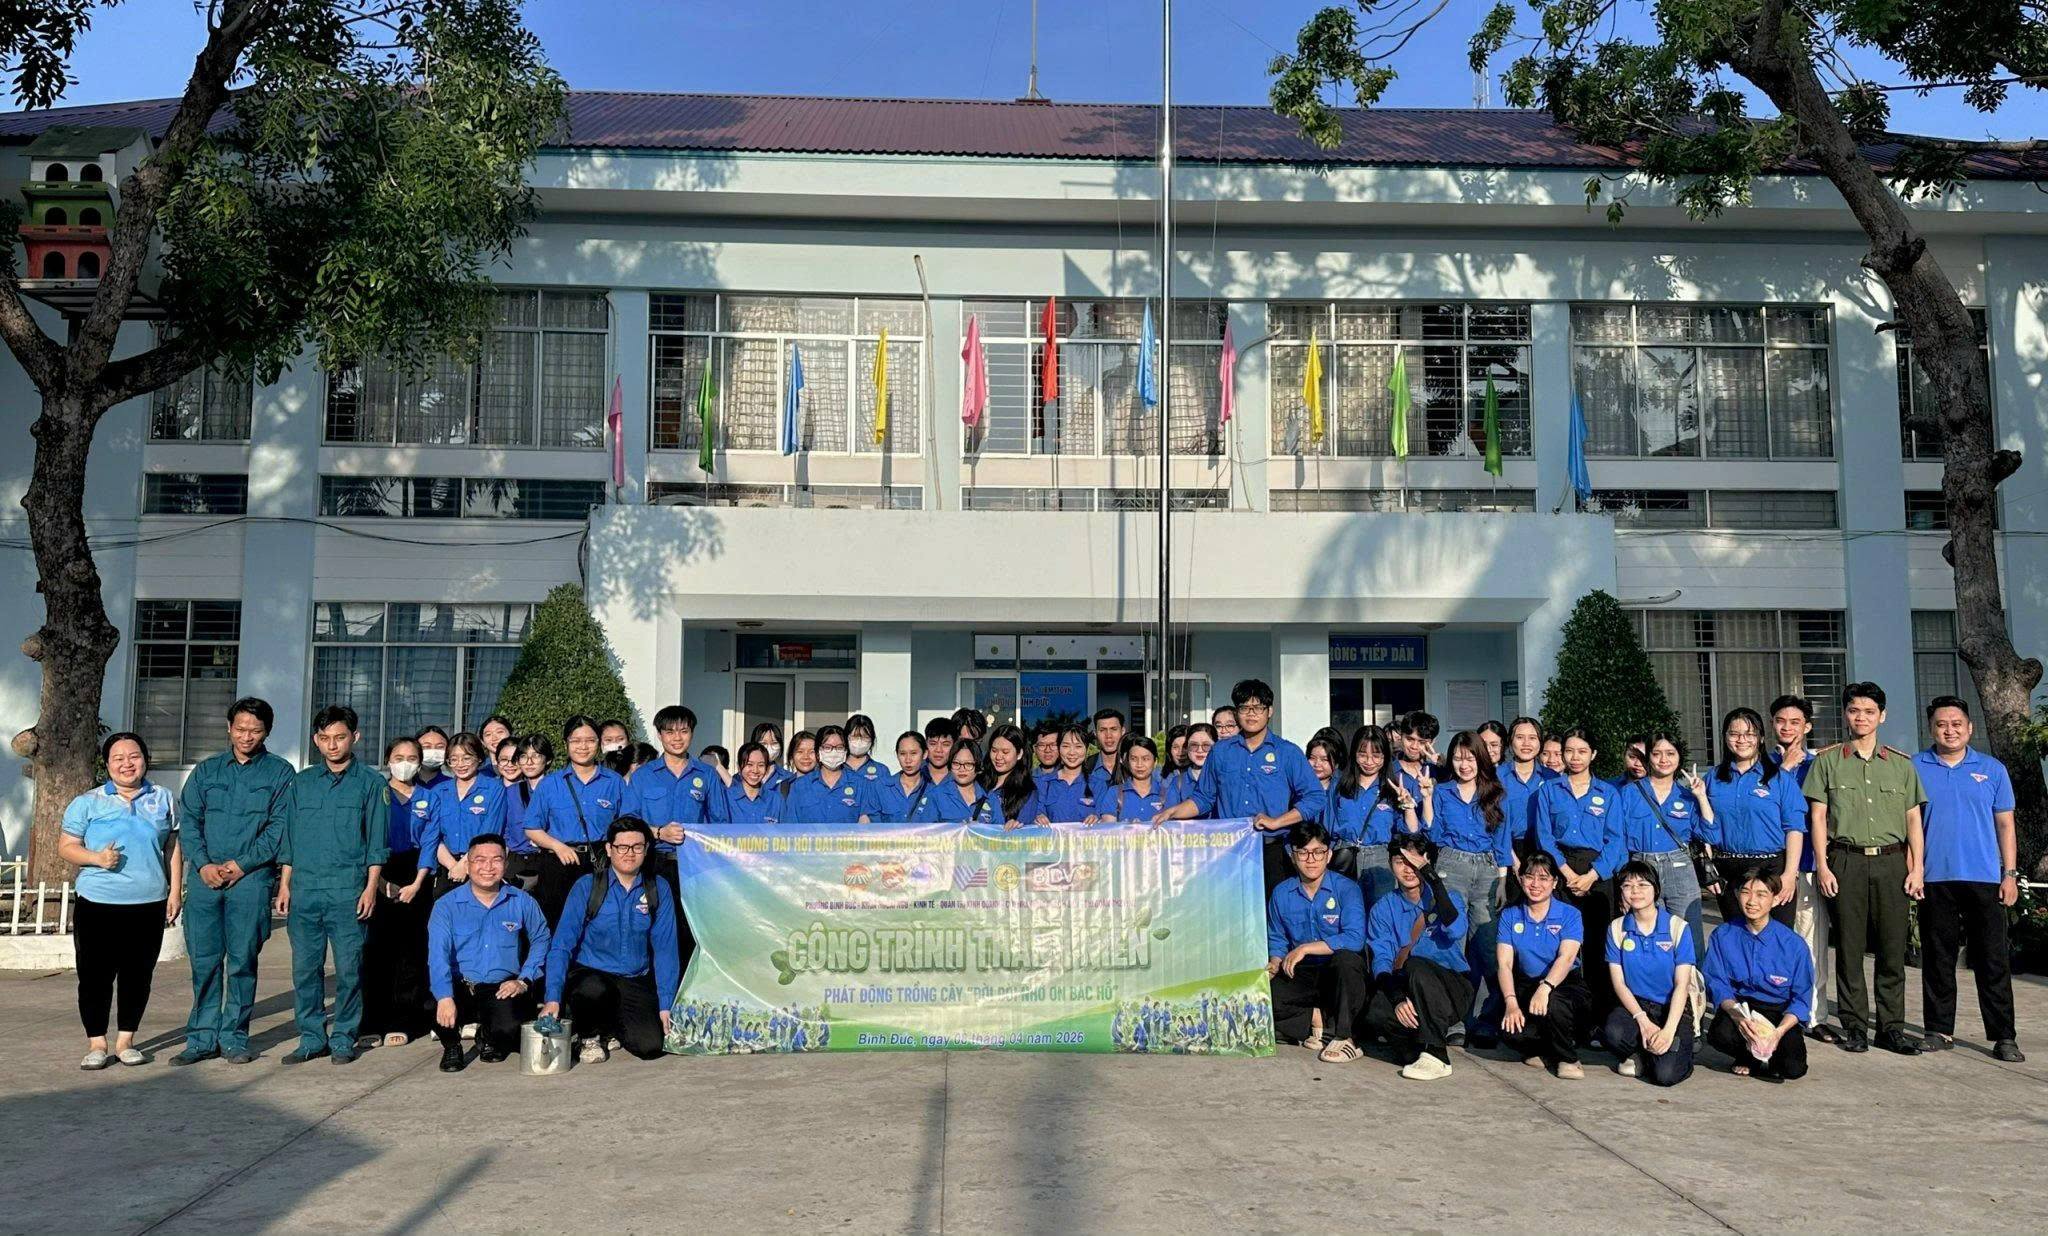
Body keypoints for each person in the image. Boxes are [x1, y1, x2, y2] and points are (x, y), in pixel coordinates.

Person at [1804, 681, 1926, 1056]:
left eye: (1869, 711)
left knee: (1892, 948)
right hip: (1846, 861)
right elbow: (1818, 817)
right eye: (1855, 710)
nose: (1861, 717)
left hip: (1891, 862)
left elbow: (1913, 820)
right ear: (1845, 714)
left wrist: (1917, 868)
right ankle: (1855, 1026)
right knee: (1850, 948)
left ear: (1882, 716)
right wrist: (1823, 866)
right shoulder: (1827, 762)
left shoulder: (1901, 765)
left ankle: (1890, 1028)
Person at [172, 696, 293, 1066]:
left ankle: (234, 1038)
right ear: (229, 728)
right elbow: (190, 822)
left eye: (255, 730)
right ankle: (201, 1039)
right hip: (205, 880)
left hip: (251, 880)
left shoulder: (280, 773)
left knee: (242, 961)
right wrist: (203, 864)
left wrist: (242, 865)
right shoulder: (207, 771)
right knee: (204, 961)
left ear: (267, 732)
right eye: (240, 729)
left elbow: (279, 827)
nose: (246, 736)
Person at [273, 705, 389, 1065]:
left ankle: (343, 1037)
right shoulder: (302, 783)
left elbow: (376, 842)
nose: (332, 745)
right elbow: (290, 839)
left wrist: (370, 887)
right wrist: (285, 885)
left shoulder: (371, 783)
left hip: (348, 891)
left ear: (355, 737)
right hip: (305, 891)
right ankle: (311, 1038)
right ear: (316, 740)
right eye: (325, 738)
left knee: (349, 970)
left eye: (340, 737)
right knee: (305, 970)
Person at [60, 732, 180, 1069]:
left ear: (146, 759)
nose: (127, 764)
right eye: (118, 758)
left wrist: (174, 891)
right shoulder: (88, 802)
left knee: (138, 975)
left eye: (134, 756)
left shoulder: (164, 798)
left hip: (148, 903)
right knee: (94, 976)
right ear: (107, 764)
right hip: (97, 903)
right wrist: (97, 858)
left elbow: (172, 847)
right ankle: (97, 1043)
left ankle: (126, 1041)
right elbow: (66, 846)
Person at [1914, 696, 2024, 1061]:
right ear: (1931, 728)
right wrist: (1914, 871)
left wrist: (2009, 874)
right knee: (1937, 958)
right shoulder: (1915, 767)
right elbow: (1908, 825)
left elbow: (2005, 825)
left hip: (1985, 878)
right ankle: (1938, 1030)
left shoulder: (1992, 769)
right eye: (1941, 724)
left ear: (1969, 728)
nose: (1950, 730)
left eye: (1956, 723)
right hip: (1935, 878)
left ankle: (2004, 1036)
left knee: (1992, 960)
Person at [1154, 680, 1327, 893]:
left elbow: (1315, 797)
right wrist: (1173, 812)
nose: (1251, 714)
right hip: (1229, 850)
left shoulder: (1287, 752)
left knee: (1273, 909)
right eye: (1244, 708)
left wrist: (1277, 822)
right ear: (1237, 713)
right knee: (1230, 909)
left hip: (1273, 850)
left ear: (1270, 711)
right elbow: (1203, 798)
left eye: (1258, 707)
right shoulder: (1220, 751)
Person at [543, 818, 679, 1063]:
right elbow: (561, 946)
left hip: (633, 978)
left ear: (646, 849)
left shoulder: (658, 888)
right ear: (609, 849)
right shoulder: (588, 886)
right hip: (591, 977)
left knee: (651, 1046)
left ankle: (611, 1027)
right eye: (622, 847)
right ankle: (589, 1035)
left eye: (637, 847)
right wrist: (552, 998)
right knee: (592, 989)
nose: (630, 853)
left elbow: (665, 949)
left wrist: (665, 1004)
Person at [426, 834, 549, 1071]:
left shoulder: (522, 901)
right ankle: (451, 1045)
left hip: (500, 987)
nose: (488, 867)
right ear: (468, 865)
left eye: (496, 860)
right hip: (460, 984)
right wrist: (444, 997)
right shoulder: (446, 905)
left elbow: (541, 939)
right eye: (480, 860)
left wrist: (524, 980)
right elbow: (438, 955)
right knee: (432, 1004)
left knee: (510, 1028)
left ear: (506, 863)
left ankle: (489, 1036)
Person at [1421, 730, 1513, 1044]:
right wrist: (1427, 798)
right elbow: (1433, 834)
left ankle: (1487, 1019)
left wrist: (1502, 880)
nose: (1464, 764)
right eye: (1458, 758)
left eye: (1470, 758)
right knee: (1452, 942)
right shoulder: (1443, 791)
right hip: (1451, 867)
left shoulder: (1496, 793)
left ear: (1480, 759)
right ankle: (1453, 1020)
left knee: (1487, 947)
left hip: (1487, 871)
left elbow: (1502, 839)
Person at [1532, 727, 1624, 1023]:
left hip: (1597, 873)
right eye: (1569, 751)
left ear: (1593, 754)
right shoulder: (1549, 790)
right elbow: (1545, 836)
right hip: (1560, 869)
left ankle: (1598, 1020)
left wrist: (1592, 876)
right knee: (1562, 945)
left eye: (1582, 751)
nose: (1574, 757)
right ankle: (1562, 1016)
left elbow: (1615, 840)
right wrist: (1567, 872)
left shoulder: (1608, 793)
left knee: (1597, 947)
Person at [1364, 833, 1471, 1080]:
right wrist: (1397, 998)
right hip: (1410, 986)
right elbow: (1382, 959)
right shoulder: (1383, 907)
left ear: (1427, 863)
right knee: (1376, 1009)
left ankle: (1437, 1055)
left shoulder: (1448, 897)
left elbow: (1456, 930)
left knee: (1416, 965)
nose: (1408, 869)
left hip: (1451, 988)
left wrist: (1432, 879)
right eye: (1400, 861)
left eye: (1415, 862)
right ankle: (1417, 1051)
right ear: (1390, 864)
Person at [1266, 821, 1370, 1064]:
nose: (1311, 859)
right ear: (1293, 856)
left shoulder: (1347, 889)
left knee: (1346, 961)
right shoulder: (1281, 892)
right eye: (1303, 852)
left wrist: (1305, 948)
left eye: (1318, 852)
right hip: (1302, 971)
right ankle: (1316, 1019)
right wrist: (1274, 963)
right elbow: (1277, 938)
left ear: (1329, 855)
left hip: (1337, 971)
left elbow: (1354, 938)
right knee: (1262, 998)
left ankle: (1345, 1037)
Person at [1702, 864, 1813, 1081]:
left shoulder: (1793, 945)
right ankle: (1748, 1056)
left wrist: (1778, 1033)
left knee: (1792, 1069)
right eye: (1746, 892)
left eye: (1761, 895)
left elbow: (1802, 998)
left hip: (1777, 1011)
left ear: (1775, 899)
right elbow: (1717, 982)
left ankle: (1769, 1055)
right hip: (1741, 1007)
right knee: (1720, 1035)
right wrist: (1737, 1016)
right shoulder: (1722, 935)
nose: (1752, 901)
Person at [360, 736, 433, 1048]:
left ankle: (404, 1019)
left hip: (416, 874)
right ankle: (372, 1020)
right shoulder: (376, 793)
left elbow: (431, 841)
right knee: (376, 950)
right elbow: (364, 837)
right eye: (399, 757)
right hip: (379, 871)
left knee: (411, 950)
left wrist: (417, 883)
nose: (405, 764)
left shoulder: (429, 797)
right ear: (388, 760)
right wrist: (379, 882)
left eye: (412, 758)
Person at [1771, 693, 1836, 1042]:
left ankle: (1813, 1014)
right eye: (1781, 721)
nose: (1787, 727)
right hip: (1770, 865)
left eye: (1795, 722)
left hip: (1809, 865)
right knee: (1771, 942)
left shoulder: (1820, 765)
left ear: (1807, 727)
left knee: (1811, 942)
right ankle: (1773, 1011)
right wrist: (1783, 769)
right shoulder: (1761, 764)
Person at [1704, 707, 1804, 928]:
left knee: (1776, 937)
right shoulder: (1713, 778)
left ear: (1761, 738)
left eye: (1749, 734)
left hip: (1772, 869)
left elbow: (1794, 828)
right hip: (1729, 870)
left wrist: (1789, 875)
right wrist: (1708, 867)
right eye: (1734, 734)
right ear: (1725, 737)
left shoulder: (1779, 778)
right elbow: (1703, 826)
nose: (1742, 740)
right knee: (1737, 937)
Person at [1611, 730, 1709, 955]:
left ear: (1679, 757)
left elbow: (1710, 835)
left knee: (1689, 938)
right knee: (1647, 939)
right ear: (1648, 758)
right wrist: (1625, 884)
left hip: (1680, 869)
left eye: (1670, 753)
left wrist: (1701, 797)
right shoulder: (1628, 794)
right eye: (1657, 754)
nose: (1664, 760)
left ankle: (1693, 979)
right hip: (1641, 869)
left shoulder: (1687, 796)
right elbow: (1619, 841)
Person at [1601, 859, 1698, 1087]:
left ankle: (1672, 1053)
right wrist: (1642, 1020)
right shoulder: (1617, 928)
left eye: (1642, 885)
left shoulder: (1677, 927)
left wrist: (1668, 1031)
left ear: (1656, 889)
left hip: (1671, 1007)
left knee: (1665, 1075)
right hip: (1636, 1006)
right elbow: (1619, 983)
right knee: (1613, 1033)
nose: (1635, 891)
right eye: (1627, 885)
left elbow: (1682, 985)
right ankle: (1642, 1053)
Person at [522, 715, 627, 925]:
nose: (583, 746)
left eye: (590, 740)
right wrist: (557, 846)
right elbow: (531, 827)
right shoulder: (550, 784)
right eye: (576, 741)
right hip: (558, 862)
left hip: (600, 862)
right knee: (557, 923)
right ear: (566, 744)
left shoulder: (614, 782)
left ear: (599, 743)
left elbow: (626, 825)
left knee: (600, 923)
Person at [1494, 851, 1589, 1079]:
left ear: (1555, 882)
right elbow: (1504, 964)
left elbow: (1566, 957)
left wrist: (1546, 987)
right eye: (1529, 877)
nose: (1535, 884)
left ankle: (1568, 1059)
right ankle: (1546, 1049)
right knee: (1510, 1029)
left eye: (1544, 878)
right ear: (1521, 879)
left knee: (1555, 1003)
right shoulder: (1510, 915)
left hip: (1563, 984)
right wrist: (1511, 1003)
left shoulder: (1570, 914)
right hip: (1526, 982)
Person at [1322, 724, 1420, 904]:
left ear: (1385, 756)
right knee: (1345, 910)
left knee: (1380, 912)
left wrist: (1408, 805)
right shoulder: (1339, 784)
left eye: (1376, 756)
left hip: (1379, 859)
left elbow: (1411, 831)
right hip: (1344, 855)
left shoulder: (1394, 787)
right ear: (1354, 754)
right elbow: (1327, 825)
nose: (1369, 761)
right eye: (1362, 754)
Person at [422, 733, 515, 895]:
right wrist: (453, 866)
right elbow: (432, 835)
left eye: (466, 758)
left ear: (479, 758)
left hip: (481, 866)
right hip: (447, 868)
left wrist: (465, 864)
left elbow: (490, 831)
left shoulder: (494, 789)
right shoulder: (439, 791)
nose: (460, 764)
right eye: (454, 759)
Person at [1498, 716, 1558, 859]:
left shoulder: (1552, 778)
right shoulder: (1497, 776)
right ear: (1510, 741)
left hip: (1545, 848)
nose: (1526, 743)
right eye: (1519, 737)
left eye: (1532, 738)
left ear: (1540, 742)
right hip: (1505, 848)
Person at [783, 725, 866, 824]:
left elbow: (867, 825)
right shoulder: (799, 786)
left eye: (839, 747)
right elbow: (791, 826)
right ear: (818, 752)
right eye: (827, 747)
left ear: (846, 751)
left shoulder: (861, 784)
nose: (833, 752)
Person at [910, 742, 1000, 824]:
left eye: (968, 764)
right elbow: (920, 831)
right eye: (956, 763)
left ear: (978, 767)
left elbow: (1000, 833)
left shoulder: (991, 798)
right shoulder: (935, 795)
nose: (962, 769)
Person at [860, 732, 929, 823]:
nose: (908, 760)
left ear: (925, 754)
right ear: (897, 755)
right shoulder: (881, 787)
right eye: (902, 754)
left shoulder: (933, 790)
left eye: (913, 753)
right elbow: (870, 824)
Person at [1034, 724, 1098, 824]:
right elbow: (1037, 812)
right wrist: (1038, 818)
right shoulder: (1043, 783)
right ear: (1059, 749)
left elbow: (1107, 819)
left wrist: (1098, 819)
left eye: (1078, 746)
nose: (1072, 752)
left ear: (1087, 748)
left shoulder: (1098, 784)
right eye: (1066, 746)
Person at [983, 724, 1044, 828]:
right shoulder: (979, 782)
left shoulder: (1027, 792)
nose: (998, 757)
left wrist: (1015, 826)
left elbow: (1024, 830)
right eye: (994, 751)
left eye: (1005, 752)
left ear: (1019, 754)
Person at [1097, 736, 1165, 822]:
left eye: (1145, 759)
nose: (1139, 764)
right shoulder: (1114, 793)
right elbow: (1109, 827)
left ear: (1155, 762)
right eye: (1134, 759)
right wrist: (1127, 827)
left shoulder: (1166, 793)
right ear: (1127, 762)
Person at [1163, 722, 1216, 816]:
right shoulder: (1178, 782)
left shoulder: (1224, 777)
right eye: (1194, 745)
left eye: (1206, 745)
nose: (1200, 750)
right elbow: (1168, 816)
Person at [724, 743, 783, 825]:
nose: (755, 770)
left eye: (761, 765)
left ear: (767, 768)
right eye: (749, 764)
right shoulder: (725, 798)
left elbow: (786, 831)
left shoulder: (776, 800)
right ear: (739, 766)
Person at [1086, 708, 1128, 784]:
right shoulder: (1085, 767)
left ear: (1122, 731)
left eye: (1114, 729)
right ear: (1095, 734)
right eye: (1102, 730)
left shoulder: (1135, 766)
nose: (1108, 735)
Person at [844, 714, 887, 785]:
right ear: (846, 737)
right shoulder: (837, 768)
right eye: (855, 736)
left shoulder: (881, 771)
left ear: (872, 740)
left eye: (865, 737)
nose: (859, 741)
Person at [750, 722, 790, 790]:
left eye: (774, 743)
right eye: (763, 743)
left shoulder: (788, 778)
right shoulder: (743, 777)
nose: (769, 748)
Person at [1305, 732, 1342, 803]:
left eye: (1324, 759)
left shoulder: (1343, 790)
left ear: (1336, 764)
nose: (1317, 764)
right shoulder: (1298, 787)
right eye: (1312, 758)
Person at [921, 717, 957, 785]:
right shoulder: (914, 774)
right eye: (933, 744)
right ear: (925, 744)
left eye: (945, 744)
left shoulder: (962, 777)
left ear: (954, 745)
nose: (938, 750)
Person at [415, 726, 450, 792]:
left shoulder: (453, 785)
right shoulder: (406, 782)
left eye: (440, 747)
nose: (433, 751)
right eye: (426, 746)